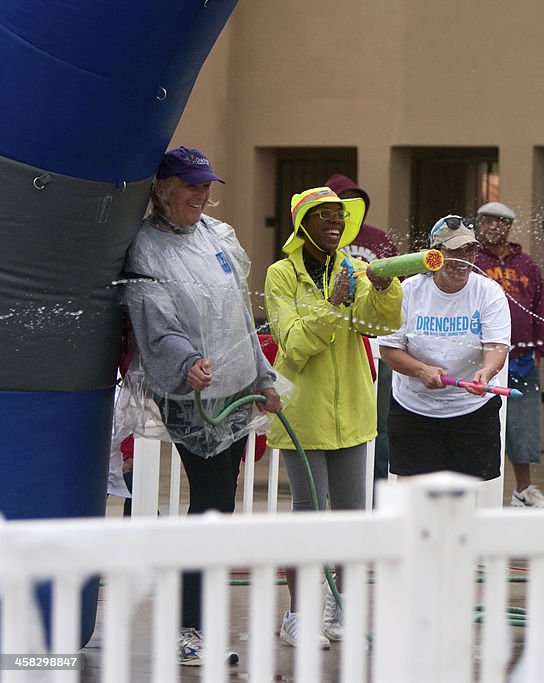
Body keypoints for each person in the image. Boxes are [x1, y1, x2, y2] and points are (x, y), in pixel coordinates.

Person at [123, 146, 282, 666]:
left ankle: (200, 622)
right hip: (190, 393)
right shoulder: (146, 247)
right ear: (163, 189)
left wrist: (262, 376)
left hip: (235, 389)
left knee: (220, 506)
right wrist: (186, 360)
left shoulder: (219, 237)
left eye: (205, 185)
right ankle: (189, 627)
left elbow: (239, 313)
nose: (201, 194)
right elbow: (153, 318)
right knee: (210, 506)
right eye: (191, 186)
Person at [264, 186, 402, 648]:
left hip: (354, 414)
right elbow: (293, 345)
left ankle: (342, 609)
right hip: (303, 414)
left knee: (350, 517)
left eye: (339, 216)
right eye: (324, 216)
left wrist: (383, 291)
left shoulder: (354, 269)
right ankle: (299, 615)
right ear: (303, 224)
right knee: (310, 515)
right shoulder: (280, 276)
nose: (335, 223)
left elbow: (378, 327)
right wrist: (332, 305)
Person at [378, 215, 511, 482]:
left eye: (470, 249)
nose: (463, 259)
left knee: (465, 498)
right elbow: (390, 350)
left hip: (471, 410)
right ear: (435, 255)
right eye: (455, 251)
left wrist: (487, 371)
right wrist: (420, 370)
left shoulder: (488, 292)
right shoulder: (410, 290)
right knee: (413, 497)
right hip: (414, 408)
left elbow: (497, 344)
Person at [473, 201, 544, 507]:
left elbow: (539, 306)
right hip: (482, 357)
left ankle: (524, 489)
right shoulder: (473, 261)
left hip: (522, 357)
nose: (493, 228)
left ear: (508, 227)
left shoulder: (527, 265)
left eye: (499, 222)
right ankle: (481, 490)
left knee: (524, 425)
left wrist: (540, 345)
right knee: (482, 423)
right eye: (487, 222)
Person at [324, 173, 400, 484]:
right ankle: (335, 483)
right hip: (333, 340)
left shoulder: (379, 239)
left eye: (354, 203)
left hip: (377, 344)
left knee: (380, 422)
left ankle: (378, 486)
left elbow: (396, 286)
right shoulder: (321, 246)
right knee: (333, 419)